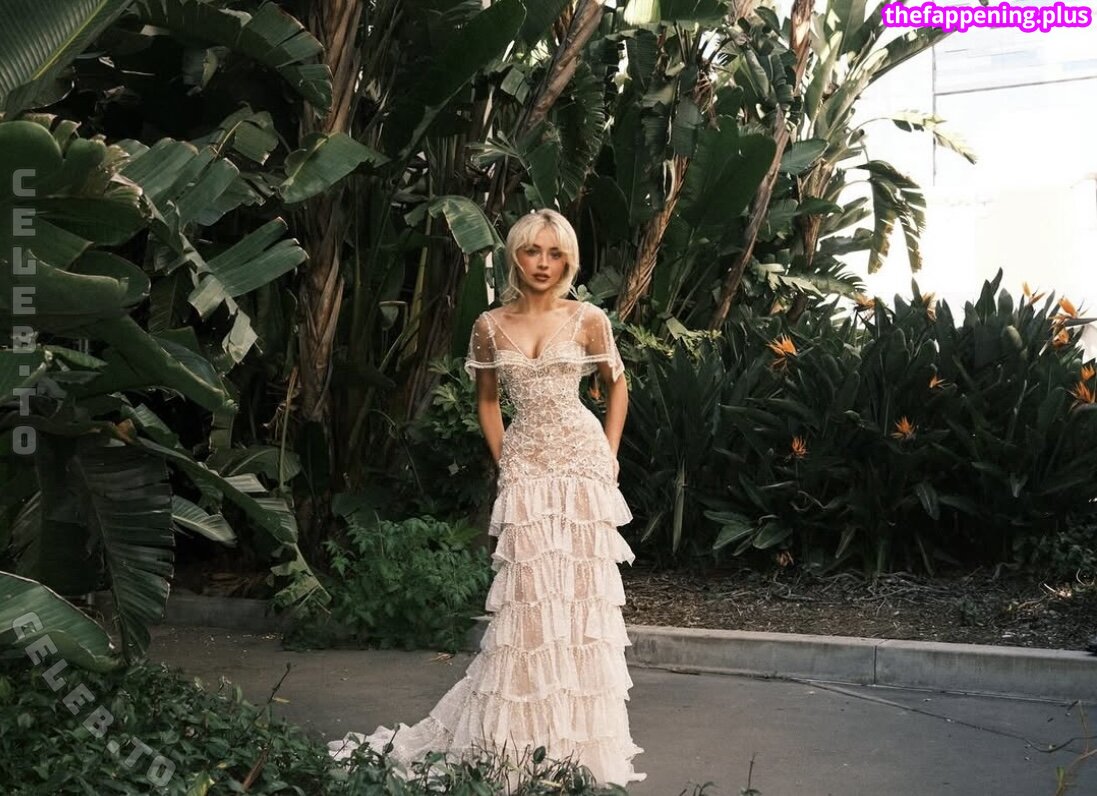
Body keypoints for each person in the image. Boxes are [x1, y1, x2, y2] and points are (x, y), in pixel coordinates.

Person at [328, 208, 645, 786]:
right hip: (526, 468)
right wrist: (507, 462)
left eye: (555, 253)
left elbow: (616, 384)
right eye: (532, 251)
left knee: (580, 600)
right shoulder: (489, 325)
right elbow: (488, 401)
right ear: (515, 256)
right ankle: (517, 738)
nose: (543, 264)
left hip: (581, 467)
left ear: (569, 261)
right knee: (527, 600)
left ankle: (576, 742)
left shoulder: (589, 318)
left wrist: (609, 452)